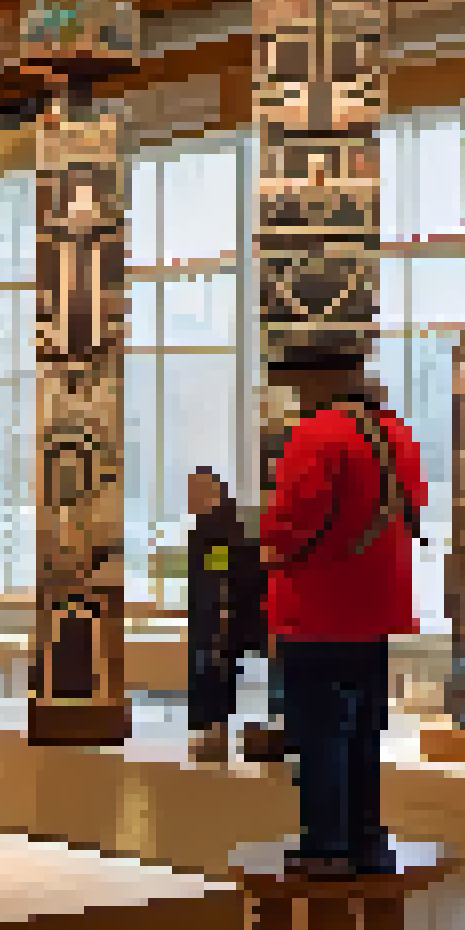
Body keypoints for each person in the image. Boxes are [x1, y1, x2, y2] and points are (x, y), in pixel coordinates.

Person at [257, 348, 427, 878]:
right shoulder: (398, 435)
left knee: (320, 732)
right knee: (364, 730)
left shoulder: (316, 436)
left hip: (319, 610)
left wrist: (264, 546)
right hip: (381, 607)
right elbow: (415, 509)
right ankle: (363, 836)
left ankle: (326, 844)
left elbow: (289, 527)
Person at [186, 468, 266, 764]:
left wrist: (219, 616)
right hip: (222, 616)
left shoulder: (219, 529)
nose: (192, 498)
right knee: (218, 673)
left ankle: (215, 732)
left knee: (216, 672)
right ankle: (216, 731)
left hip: (222, 618)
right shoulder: (220, 525)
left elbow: (219, 578)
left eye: (197, 490)